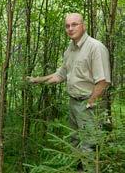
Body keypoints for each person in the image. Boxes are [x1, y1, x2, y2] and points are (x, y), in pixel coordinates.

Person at [27, 13, 111, 172]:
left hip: (89, 105)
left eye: (74, 24)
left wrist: (89, 103)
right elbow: (61, 74)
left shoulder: (95, 47)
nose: (70, 28)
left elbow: (103, 81)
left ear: (83, 25)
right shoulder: (70, 49)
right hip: (73, 103)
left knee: (90, 146)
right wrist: (37, 80)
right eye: (67, 26)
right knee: (75, 142)